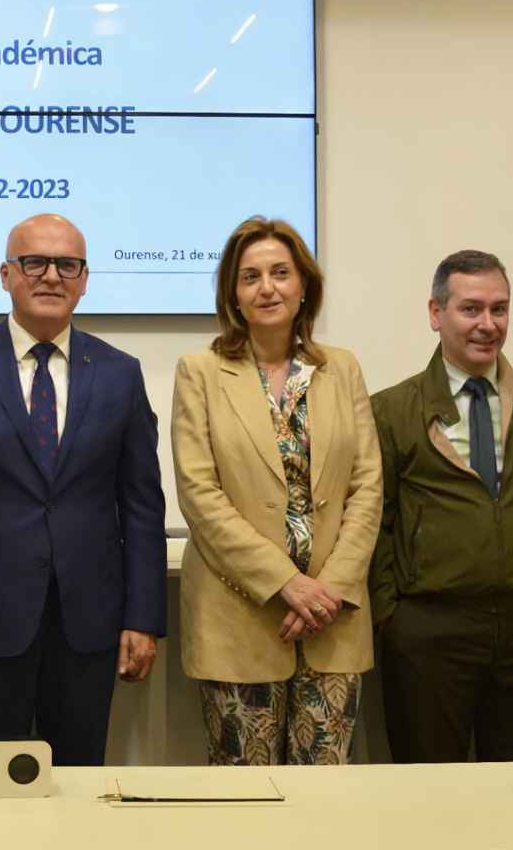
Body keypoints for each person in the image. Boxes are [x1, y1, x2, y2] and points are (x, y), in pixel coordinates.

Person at [0, 213, 166, 767]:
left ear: (84, 279)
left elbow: (142, 508)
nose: (50, 276)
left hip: (89, 627)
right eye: (34, 262)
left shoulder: (120, 374)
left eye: (67, 264)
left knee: (80, 781)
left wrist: (143, 619)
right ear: (5, 275)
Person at [170, 217, 380, 766]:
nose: (267, 287)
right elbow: (200, 495)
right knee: (246, 797)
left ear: (304, 284)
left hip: (334, 621)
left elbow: (367, 486)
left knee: (324, 795)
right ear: (233, 295)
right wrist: (287, 584)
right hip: (240, 616)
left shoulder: (343, 368)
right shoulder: (201, 372)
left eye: (281, 273)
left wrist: (327, 590)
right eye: (250, 276)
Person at [368, 250, 513, 763]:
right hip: (428, 631)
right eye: (471, 309)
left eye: (500, 309)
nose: (488, 324)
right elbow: (377, 521)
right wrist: (390, 619)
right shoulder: (392, 410)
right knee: (428, 790)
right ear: (435, 313)